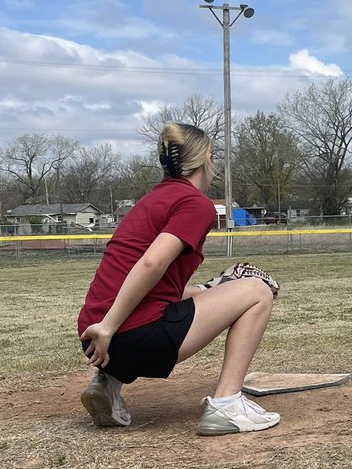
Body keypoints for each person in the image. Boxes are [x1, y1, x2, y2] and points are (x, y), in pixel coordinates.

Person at [77, 122, 280, 436]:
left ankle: (106, 384)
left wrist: (210, 288)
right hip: (119, 335)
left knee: (162, 309)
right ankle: (226, 404)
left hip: (94, 342)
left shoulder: (150, 201)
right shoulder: (195, 203)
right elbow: (151, 263)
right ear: (207, 159)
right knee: (257, 291)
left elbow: (152, 286)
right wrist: (110, 326)